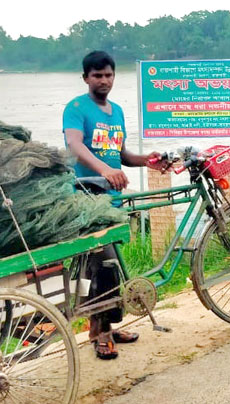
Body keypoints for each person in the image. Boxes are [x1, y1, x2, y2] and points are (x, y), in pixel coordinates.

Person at [62, 50, 165, 359]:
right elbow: (74, 144)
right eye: (97, 75)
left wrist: (148, 160)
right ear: (86, 78)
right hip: (87, 199)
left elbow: (120, 155)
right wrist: (103, 171)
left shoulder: (116, 110)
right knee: (102, 266)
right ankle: (101, 333)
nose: (103, 80)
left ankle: (105, 325)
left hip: (113, 201)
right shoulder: (76, 108)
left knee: (113, 264)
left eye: (108, 75)